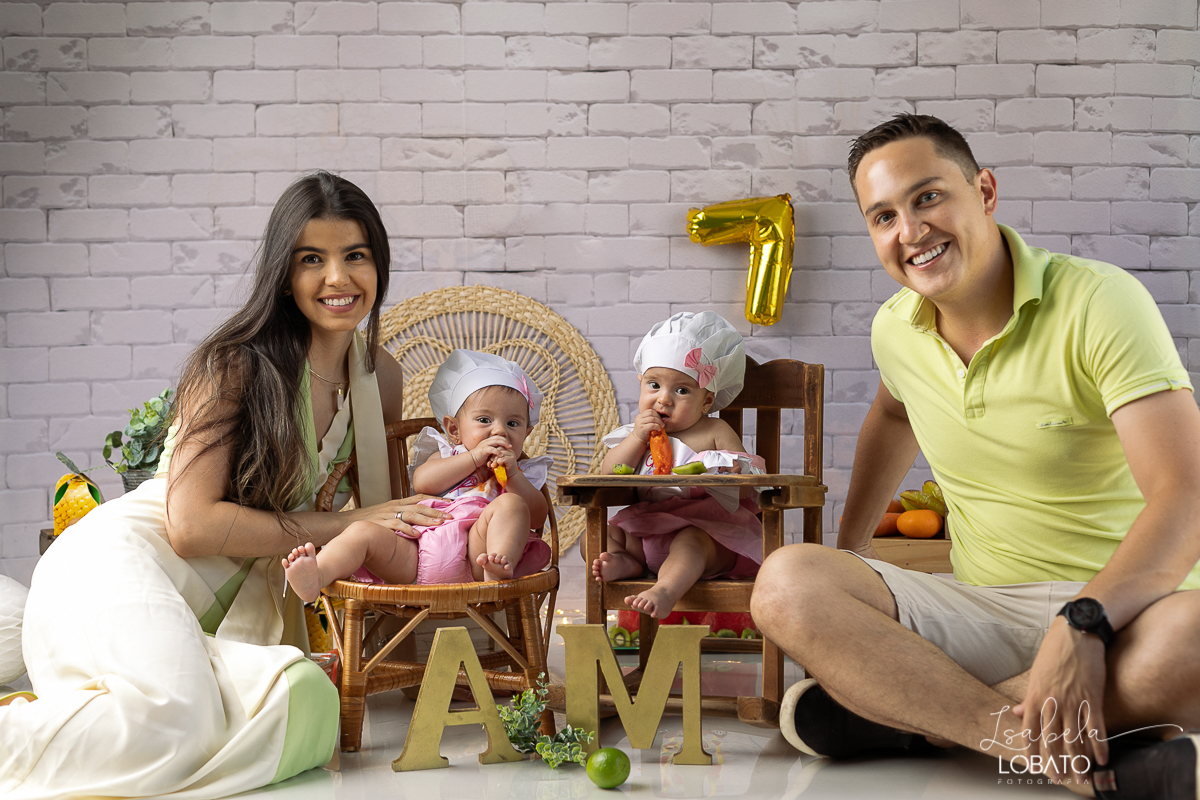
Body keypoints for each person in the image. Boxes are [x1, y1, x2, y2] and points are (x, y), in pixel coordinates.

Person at [751, 114, 1200, 799]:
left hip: (1130, 613)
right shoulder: (895, 328)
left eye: (928, 197)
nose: (910, 232)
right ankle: (1031, 744)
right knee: (786, 583)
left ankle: (912, 718)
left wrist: (1084, 621)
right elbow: (892, 413)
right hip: (980, 609)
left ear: (984, 192)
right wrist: (852, 557)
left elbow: (1186, 493)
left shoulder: (1099, 302)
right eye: (883, 216)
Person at [0, 172, 452, 799]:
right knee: (177, 718)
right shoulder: (237, 364)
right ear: (282, 273)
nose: (338, 279)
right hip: (119, 564)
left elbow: (394, 524)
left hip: (209, 619)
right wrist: (347, 522)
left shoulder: (379, 375)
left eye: (356, 255)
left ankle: (140, 739)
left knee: (307, 705)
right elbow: (191, 527)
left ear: (379, 261)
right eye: (311, 260)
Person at [282, 349, 553, 597]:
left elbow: (537, 515)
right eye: (484, 420)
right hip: (418, 552)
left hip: (477, 556)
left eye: (513, 423)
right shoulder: (449, 454)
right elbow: (423, 482)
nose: (498, 431)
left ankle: (498, 567)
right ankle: (317, 574)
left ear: (526, 434)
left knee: (511, 504)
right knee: (361, 531)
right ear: (455, 430)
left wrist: (513, 476)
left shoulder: (520, 472)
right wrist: (473, 458)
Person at [592, 311, 766, 619]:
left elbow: (746, 479)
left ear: (707, 401)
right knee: (594, 537)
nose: (664, 400)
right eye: (654, 385)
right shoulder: (638, 435)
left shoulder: (714, 432)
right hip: (645, 534)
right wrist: (635, 438)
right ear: (640, 384)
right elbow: (609, 475)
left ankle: (665, 590)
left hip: (710, 534)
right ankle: (623, 561)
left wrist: (734, 475)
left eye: (682, 390)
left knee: (690, 541)